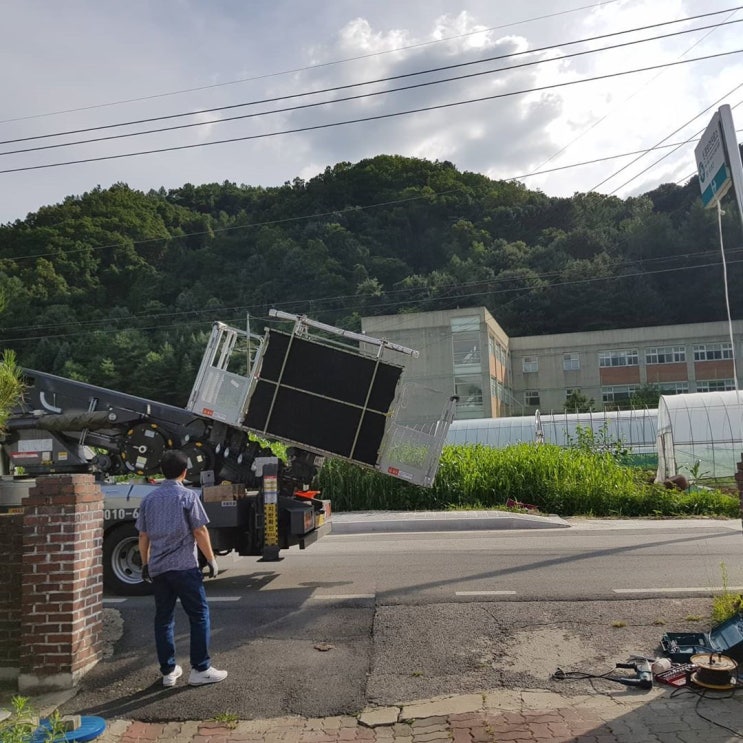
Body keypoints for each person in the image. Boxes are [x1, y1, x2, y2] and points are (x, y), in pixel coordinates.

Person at [136, 449, 228, 687]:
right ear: (185, 471)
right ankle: (200, 669)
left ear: (162, 472)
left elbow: (143, 536)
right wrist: (211, 560)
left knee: (164, 619)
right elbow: (200, 530)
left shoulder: (149, 500)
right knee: (198, 615)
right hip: (185, 567)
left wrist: (145, 563)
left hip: (158, 569)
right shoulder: (188, 497)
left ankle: (168, 671)